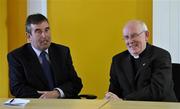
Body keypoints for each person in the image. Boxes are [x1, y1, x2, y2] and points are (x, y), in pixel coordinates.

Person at [7, 13, 83, 99]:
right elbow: (16, 88)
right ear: (28, 36)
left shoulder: (63, 51)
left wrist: (57, 93)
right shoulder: (17, 56)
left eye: (47, 30)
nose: (44, 35)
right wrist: (44, 96)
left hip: (63, 104)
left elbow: (76, 83)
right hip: (35, 105)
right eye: (38, 31)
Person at [105, 20, 177, 101]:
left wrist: (125, 101)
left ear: (146, 35)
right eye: (126, 37)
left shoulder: (161, 56)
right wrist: (110, 97)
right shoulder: (118, 60)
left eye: (134, 35)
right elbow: (114, 91)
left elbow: (157, 89)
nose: (130, 41)